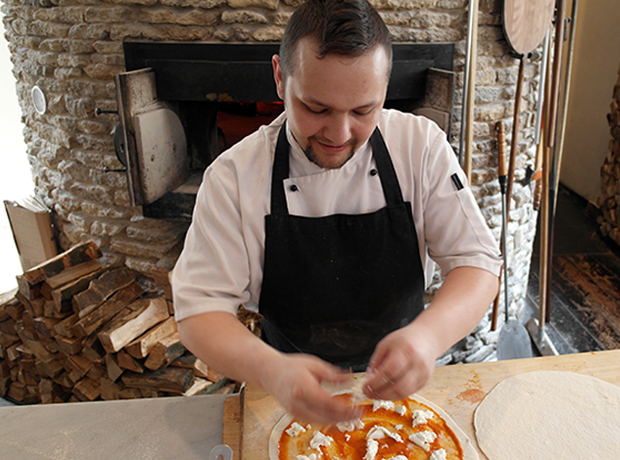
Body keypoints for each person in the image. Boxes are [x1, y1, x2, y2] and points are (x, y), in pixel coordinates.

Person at [171, 0, 501, 424]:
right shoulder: (234, 177)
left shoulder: (420, 147)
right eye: (316, 108)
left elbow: (477, 263)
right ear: (279, 77)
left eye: (364, 110)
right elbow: (200, 311)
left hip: (405, 392)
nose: (339, 134)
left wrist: (426, 337)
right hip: (286, 393)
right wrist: (270, 370)